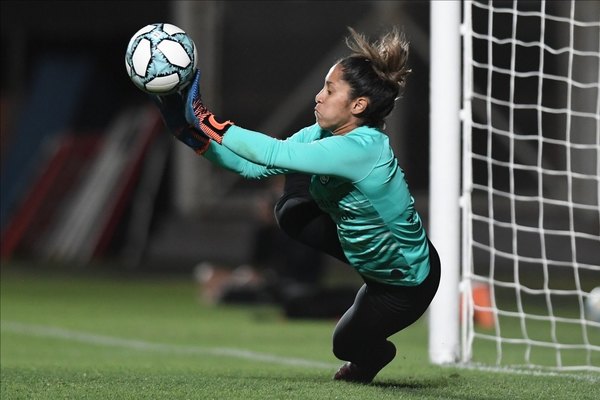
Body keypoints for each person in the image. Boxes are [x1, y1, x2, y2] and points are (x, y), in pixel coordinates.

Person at [152, 26, 441, 384]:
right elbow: (255, 165)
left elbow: (275, 151)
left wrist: (203, 115)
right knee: (289, 209)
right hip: (367, 258)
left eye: (330, 90)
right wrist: (190, 135)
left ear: (359, 105)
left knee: (346, 344)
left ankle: (376, 355)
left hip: (405, 284)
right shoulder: (323, 134)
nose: (318, 97)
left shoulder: (364, 148)